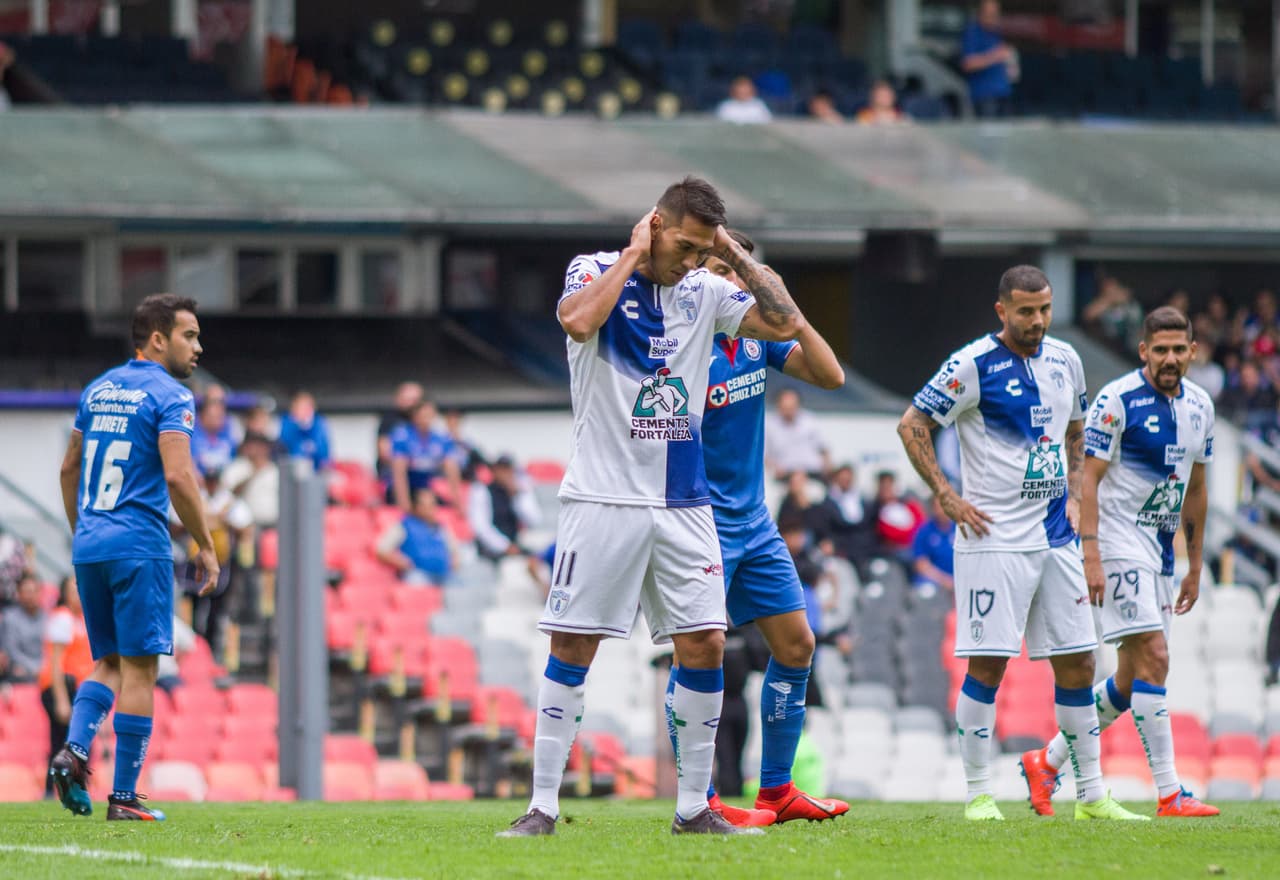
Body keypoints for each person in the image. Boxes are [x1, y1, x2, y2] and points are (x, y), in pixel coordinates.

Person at [499, 176, 804, 838]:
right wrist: (637, 256)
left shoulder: (708, 290)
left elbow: (784, 323)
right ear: (656, 226)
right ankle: (542, 806)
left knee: (705, 643)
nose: (693, 262)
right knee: (574, 643)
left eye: (705, 250)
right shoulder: (596, 270)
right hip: (602, 496)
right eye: (687, 246)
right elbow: (578, 321)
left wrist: (734, 254)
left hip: (684, 501)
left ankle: (694, 807)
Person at [897, 264, 1145, 821]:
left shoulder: (1066, 359)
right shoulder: (971, 365)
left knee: (1080, 664)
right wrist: (945, 493)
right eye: (1026, 311)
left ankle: (1091, 797)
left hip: (1055, 536)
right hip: (993, 539)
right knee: (988, 667)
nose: (1037, 321)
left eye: (1045, 309)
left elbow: (1077, 429)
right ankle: (978, 794)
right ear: (1002, 310)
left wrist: (1078, 495)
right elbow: (912, 424)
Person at [664, 229, 847, 827]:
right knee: (700, 652)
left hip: (755, 521)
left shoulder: (754, 343)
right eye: (724, 272)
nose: (736, 284)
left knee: (797, 645)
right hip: (699, 522)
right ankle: (703, 800)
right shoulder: (683, 344)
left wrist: (782, 301)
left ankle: (777, 791)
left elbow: (829, 374)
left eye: (743, 274)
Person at [1021, 307, 1219, 818]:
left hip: (1159, 553)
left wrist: (1194, 564)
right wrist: (1090, 551)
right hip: (1117, 542)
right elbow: (1087, 477)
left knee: (1132, 682)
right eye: (1161, 350)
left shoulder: (1201, 406)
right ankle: (1171, 792)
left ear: (1192, 351)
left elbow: (1195, 489)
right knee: (1156, 657)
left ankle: (1046, 762)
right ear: (1144, 351)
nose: (1170, 358)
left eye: (1180, 349)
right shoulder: (1118, 399)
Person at [52, 293, 219, 822]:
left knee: (110, 663)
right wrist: (206, 543)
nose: (198, 346)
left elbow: (68, 468)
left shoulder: (97, 389)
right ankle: (124, 796)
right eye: (189, 336)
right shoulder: (171, 396)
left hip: (92, 543)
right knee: (141, 670)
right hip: (140, 547)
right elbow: (177, 475)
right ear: (157, 339)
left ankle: (73, 751)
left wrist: (84, 533)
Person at [39, 575, 93, 797]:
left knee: (75, 742)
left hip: (77, 688)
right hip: (61, 687)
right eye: (73, 591)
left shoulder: (82, 620)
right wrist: (61, 700)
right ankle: (52, 791)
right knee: (61, 741)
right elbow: (55, 663)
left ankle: (73, 789)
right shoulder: (62, 619)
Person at [389, 399, 463, 511]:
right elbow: (399, 472)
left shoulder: (440, 439)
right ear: (415, 416)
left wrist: (457, 502)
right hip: (402, 487)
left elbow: (451, 468)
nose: (427, 419)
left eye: (430, 415)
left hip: (426, 487)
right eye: (423, 415)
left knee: (441, 506)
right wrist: (404, 505)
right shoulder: (403, 436)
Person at [375, 488, 456, 586]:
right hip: (418, 574)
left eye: (432, 504)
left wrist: (451, 563)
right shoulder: (404, 526)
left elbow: (455, 552)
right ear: (416, 506)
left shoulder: (441, 528)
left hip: (443, 575)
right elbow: (382, 549)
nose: (430, 509)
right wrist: (402, 563)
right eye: (425, 505)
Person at [468, 456, 541, 562]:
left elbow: (534, 520)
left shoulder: (517, 493)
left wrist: (517, 496)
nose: (506, 474)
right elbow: (481, 528)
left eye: (508, 470)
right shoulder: (482, 491)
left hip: (514, 546)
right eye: (502, 469)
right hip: (491, 549)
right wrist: (504, 546)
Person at [961, 0, 1015, 117]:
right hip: (985, 96)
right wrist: (995, 56)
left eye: (995, 14)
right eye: (989, 14)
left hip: (1003, 92)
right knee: (989, 133)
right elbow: (968, 64)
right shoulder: (973, 33)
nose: (993, 18)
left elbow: (1002, 59)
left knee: (1007, 133)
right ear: (980, 13)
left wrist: (1009, 67)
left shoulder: (996, 32)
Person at [764, 388, 830, 479]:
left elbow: (823, 448)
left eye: (791, 407)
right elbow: (764, 455)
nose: (788, 411)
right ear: (778, 406)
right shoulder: (768, 425)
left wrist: (827, 468)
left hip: (813, 473)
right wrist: (774, 468)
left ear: (798, 405)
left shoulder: (810, 420)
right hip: (785, 476)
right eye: (785, 407)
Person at [377, 381, 424, 497]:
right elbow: (384, 452)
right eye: (409, 400)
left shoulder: (422, 422)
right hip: (393, 474)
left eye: (416, 400)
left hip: (420, 474)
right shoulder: (390, 420)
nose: (412, 404)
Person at [1, 572, 47, 683]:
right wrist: (34, 668)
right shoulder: (9, 618)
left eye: (35, 591)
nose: (31, 596)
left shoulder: (48, 617)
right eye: (27, 592)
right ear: (19, 594)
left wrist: (44, 668)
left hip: (44, 669)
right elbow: (12, 651)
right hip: (19, 669)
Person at [911, 495, 956, 596]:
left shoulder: (959, 528)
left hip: (959, 580)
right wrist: (946, 581)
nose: (941, 510)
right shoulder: (924, 531)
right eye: (937, 506)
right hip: (936, 582)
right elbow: (921, 565)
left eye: (944, 505)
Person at [277, 390, 331, 471]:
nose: (302, 411)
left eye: (306, 407)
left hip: (316, 471)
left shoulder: (319, 423)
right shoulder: (287, 423)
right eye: (299, 407)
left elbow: (323, 452)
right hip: (292, 468)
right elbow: (285, 447)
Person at [190, 394, 236, 478]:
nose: (217, 420)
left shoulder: (229, 438)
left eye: (220, 417)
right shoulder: (191, 436)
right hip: (199, 482)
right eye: (213, 416)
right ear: (203, 416)